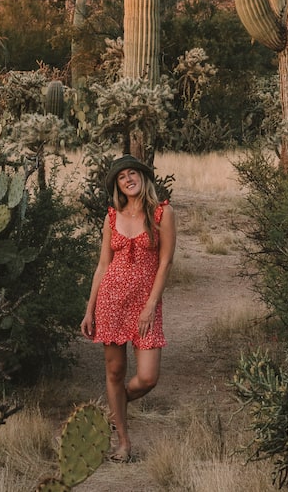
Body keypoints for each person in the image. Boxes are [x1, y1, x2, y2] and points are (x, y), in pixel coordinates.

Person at [80, 154, 176, 461]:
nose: (128, 179)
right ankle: (123, 442)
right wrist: (89, 308)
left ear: (143, 178)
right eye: (122, 177)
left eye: (132, 173)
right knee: (115, 371)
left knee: (147, 377)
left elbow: (165, 262)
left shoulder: (162, 213)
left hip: (144, 305)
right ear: (117, 186)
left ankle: (113, 410)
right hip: (110, 301)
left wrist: (150, 305)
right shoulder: (111, 217)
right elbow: (102, 265)